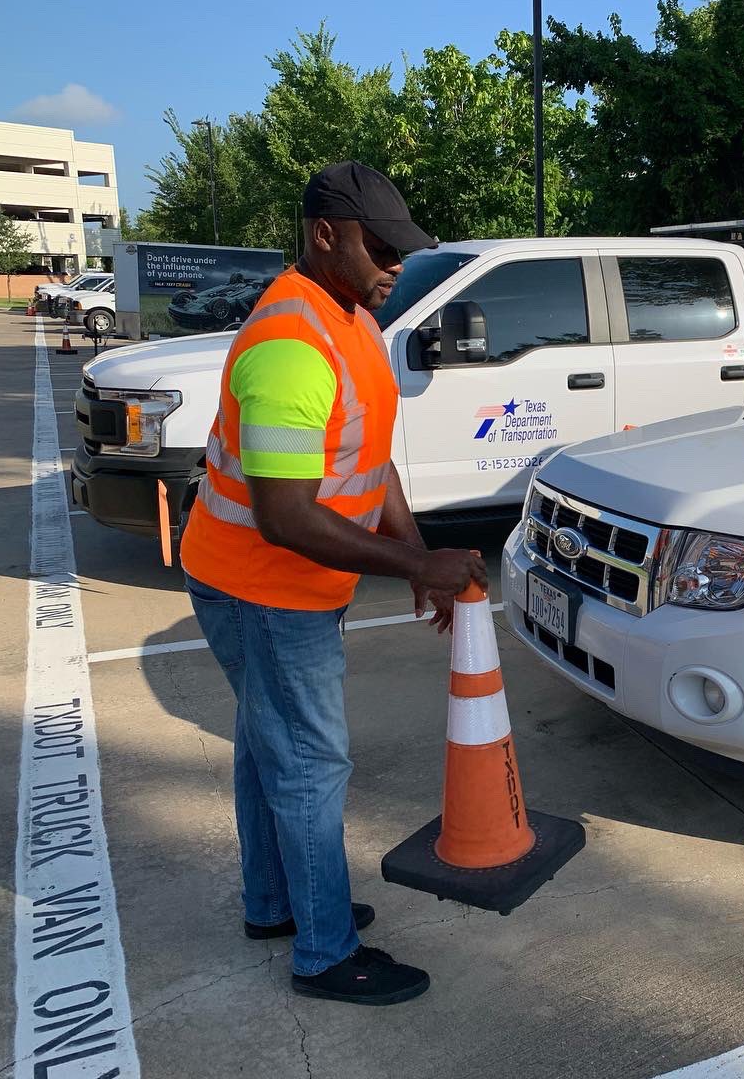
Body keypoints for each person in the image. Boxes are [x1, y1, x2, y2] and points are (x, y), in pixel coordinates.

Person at [181, 161, 486, 1006]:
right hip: (262, 586)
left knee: (267, 747)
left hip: (280, 584)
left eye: (403, 248)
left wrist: (417, 552)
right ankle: (323, 951)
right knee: (310, 764)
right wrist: (416, 567)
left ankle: (277, 904)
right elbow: (285, 514)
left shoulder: (348, 315)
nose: (397, 263)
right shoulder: (288, 343)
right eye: (381, 246)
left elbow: (370, 455)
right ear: (325, 235)